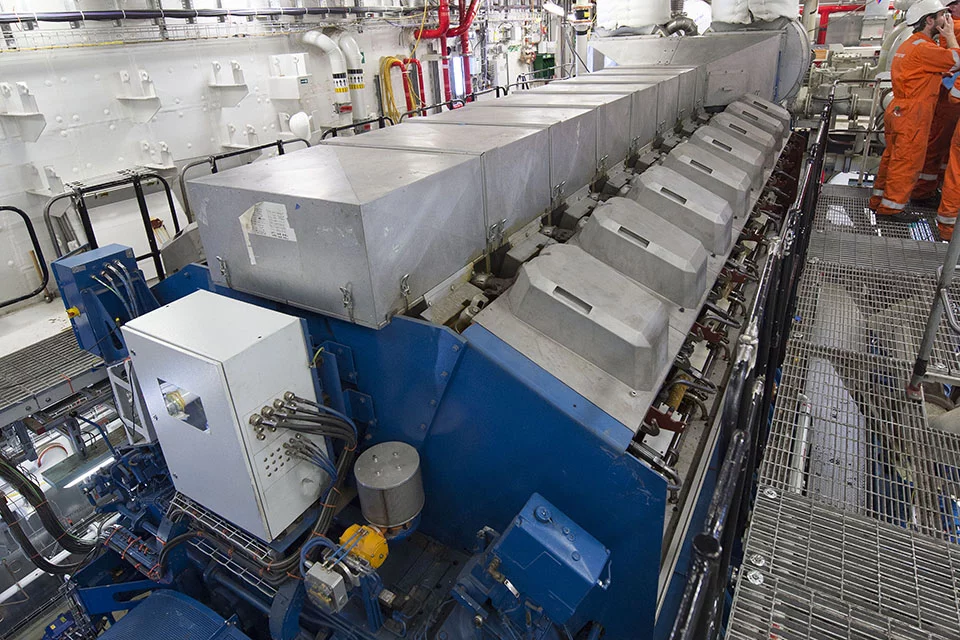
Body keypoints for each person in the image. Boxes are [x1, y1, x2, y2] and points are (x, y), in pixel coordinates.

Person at [869, 0, 960, 223]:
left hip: (899, 109)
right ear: (929, 20)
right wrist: (950, 36)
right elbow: (957, 59)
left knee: (892, 158)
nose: (946, 19)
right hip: (913, 115)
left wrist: (937, 75)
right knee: (907, 162)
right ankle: (891, 209)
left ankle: (878, 200)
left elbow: (921, 71)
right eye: (941, 15)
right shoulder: (926, 48)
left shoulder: (911, 44)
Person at [911, 0, 960, 206]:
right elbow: (955, 59)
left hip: (946, 97)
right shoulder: (952, 29)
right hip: (946, 99)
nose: (950, 11)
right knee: (939, 148)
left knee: (943, 151)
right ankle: (924, 193)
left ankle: (928, 190)